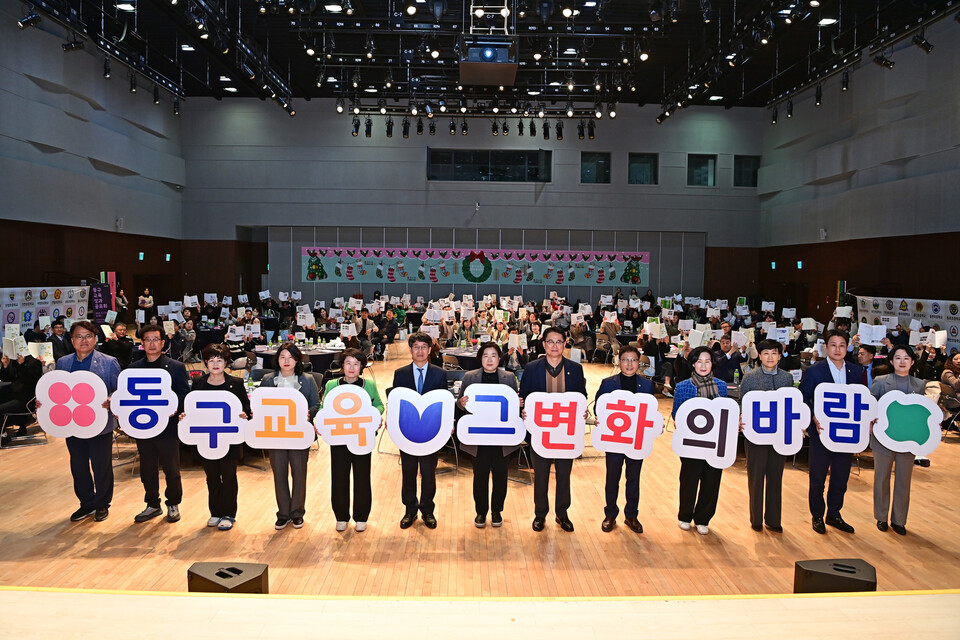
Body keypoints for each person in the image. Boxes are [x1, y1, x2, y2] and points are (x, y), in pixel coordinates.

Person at [48, 321, 121, 522]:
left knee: (101, 466)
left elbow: (121, 391)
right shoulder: (63, 363)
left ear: (95, 339)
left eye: (88, 336)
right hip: (73, 425)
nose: (84, 340)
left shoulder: (108, 361)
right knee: (78, 466)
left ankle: (102, 504)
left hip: (100, 425)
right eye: (79, 336)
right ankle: (86, 503)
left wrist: (112, 399)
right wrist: (44, 402)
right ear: (72, 340)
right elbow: (57, 391)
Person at [519, 326, 587, 533]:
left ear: (565, 344)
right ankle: (540, 514)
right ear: (544, 344)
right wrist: (523, 411)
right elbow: (525, 398)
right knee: (540, 474)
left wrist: (582, 412)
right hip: (540, 431)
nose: (555, 346)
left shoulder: (575, 369)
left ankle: (562, 513)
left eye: (559, 342)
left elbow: (581, 397)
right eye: (551, 342)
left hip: (566, 433)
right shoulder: (532, 368)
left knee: (564, 474)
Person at [798, 329, 864, 535]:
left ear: (847, 347)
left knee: (841, 476)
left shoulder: (857, 371)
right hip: (822, 432)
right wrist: (812, 417)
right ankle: (817, 515)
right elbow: (803, 398)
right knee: (817, 476)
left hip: (846, 433)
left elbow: (862, 400)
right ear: (826, 347)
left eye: (842, 345)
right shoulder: (814, 371)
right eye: (833, 345)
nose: (837, 349)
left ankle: (834, 514)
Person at [128, 324, 190, 524]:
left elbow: (184, 395)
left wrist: (176, 408)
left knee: (171, 468)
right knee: (147, 468)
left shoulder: (176, 367)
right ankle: (152, 503)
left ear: (163, 343)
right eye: (147, 339)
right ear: (142, 343)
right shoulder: (133, 369)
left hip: (168, 427)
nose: (152, 343)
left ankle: (173, 503)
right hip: (143, 426)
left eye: (156, 339)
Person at [186, 343, 251, 531]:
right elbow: (191, 408)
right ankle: (215, 512)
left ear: (226, 363)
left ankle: (229, 514)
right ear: (205, 363)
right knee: (211, 476)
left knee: (229, 476)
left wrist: (245, 415)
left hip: (229, 439)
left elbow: (246, 409)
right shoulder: (199, 383)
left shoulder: (236, 383)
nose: (215, 364)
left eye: (220, 360)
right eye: (211, 360)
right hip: (207, 438)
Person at [456, 342, 519, 528]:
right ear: (480, 358)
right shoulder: (470, 377)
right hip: (478, 436)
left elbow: (513, 407)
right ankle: (481, 512)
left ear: (499, 359)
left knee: (501, 476)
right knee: (480, 476)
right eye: (485, 355)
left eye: (493, 355)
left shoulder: (509, 377)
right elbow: (460, 405)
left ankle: (497, 511)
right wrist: (461, 403)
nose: (489, 359)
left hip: (502, 436)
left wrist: (519, 403)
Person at [259, 342, 321, 530]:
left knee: (299, 473)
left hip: (299, 434)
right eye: (282, 357)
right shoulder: (268, 380)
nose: (286, 361)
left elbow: (315, 404)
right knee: (279, 473)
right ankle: (283, 513)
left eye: (290, 357)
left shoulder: (307, 379)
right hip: (275, 434)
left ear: (297, 360)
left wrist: (309, 412)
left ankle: (297, 512)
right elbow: (261, 404)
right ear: (277, 359)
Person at [321, 348, 384, 532]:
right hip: (339, 437)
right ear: (342, 365)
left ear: (361, 367)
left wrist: (376, 415)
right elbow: (325, 407)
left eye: (356, 364)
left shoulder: (369, 384)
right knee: (339, 476)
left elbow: (379, 404)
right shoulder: (332, 385)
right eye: (348, 363)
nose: (351, 367)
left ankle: (361, 516)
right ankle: (341, 516)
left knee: (362, 476)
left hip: (362, 437)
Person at [392, 331, 449, 530]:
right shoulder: (400, 374)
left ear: (429, 349)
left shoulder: (439, 373)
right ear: (410, 350)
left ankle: (427, 510)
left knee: (428, 473)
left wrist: (447, 423)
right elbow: (396, 403)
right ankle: (410, 510)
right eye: (416, 347)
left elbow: (444, 403)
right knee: (408, 473)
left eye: (424, 347)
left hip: (431, 432)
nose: (420, 351)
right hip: (407, 432)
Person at [594, 346, 653, 534]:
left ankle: (631, 515)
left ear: (639, 363)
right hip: (614, 440)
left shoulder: (648, 385)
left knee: (633, 478)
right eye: (625, 360)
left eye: (634, 360)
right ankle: (610, 513)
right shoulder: (608, 383)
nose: (629, 364)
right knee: (612, 477)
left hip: (636, 440)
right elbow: (599, 409)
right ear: (619, 362)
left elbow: (650, 412)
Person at [671, 346, 729, 535]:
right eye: (699, 361)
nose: (703, 365)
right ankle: (685, 515)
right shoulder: (682, 386)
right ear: (693, 363)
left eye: (707, 361)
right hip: (691, 442)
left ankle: (703, 518)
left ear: (713, 363)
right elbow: (676, 413)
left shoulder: (721, 386)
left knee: (712, 479)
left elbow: (724, 412)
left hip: (715, 442)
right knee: (689, 478)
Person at [738, 340, 795, 533]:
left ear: (780, 356)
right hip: (755, 435)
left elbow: (791, 405)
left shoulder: (787, 378)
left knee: (776, 476)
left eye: (774, 353)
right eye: (766, 353)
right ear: (759, 356)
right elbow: (741, 403)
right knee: (755, 477)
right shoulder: (750, 377)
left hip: (779, 435)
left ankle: (773, 519)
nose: (770, 357)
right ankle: (755, 519)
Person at [870, 345, 926, 536]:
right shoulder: (879, 381)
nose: (902, 362)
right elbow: (870, 407)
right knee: (881, 478)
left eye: (906, 358)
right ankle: (881, 517)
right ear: (891, 361)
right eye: (898, 358)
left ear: (912, 361)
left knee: (904, 479)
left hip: (907, 440)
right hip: (883, 438)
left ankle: (899, 520)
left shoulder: (919, 385)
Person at [0, 352, 44, 441]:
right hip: (14, 396)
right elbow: (6, 378)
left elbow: (29, 380)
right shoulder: (13, 362)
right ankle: (5, 430)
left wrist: (22, 364)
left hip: (27, 400)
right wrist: (5, 366)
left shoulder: (34, 363)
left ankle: (3, 435)